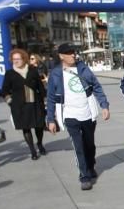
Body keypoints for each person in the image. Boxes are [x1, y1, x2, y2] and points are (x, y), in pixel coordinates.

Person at [46, 43, 110, 191]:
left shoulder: (83, 68)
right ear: (61, 56)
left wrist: (104, 105)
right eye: (69, 53)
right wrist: (50, 119)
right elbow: (50, 98)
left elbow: (97, 87)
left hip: (87, 113)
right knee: (78, 147)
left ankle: (90, 165)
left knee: (89, 145)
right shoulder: (55, 74)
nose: (73, 55)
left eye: (73, 52)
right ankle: (84, 176)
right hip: (69, 115)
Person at [3, 48, 47, 160]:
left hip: (35, 103)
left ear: (24, 59)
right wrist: (10, 102)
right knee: (26, 128)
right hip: (19, 105)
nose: (16, 61)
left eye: (18, 59)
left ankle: (40, 144)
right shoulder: (9, 73)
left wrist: (45, 100)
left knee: (39, 126)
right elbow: (5, 90)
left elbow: (40, 87)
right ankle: (32, 151)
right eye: (13, 59)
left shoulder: (32, 70)